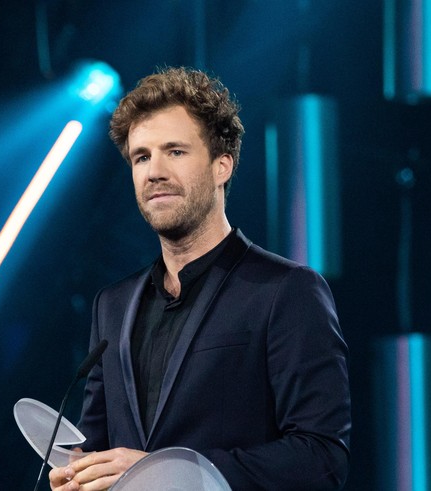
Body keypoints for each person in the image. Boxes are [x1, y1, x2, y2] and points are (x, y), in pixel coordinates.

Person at [49, 67, 351, 490]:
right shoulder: (112, 306)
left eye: (175, 152)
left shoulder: (287, 290)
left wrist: (170, 474)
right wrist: (78, 476)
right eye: (142, 156)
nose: (153, 171)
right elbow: (99, 449)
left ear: (221, 165)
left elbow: (321, 457)